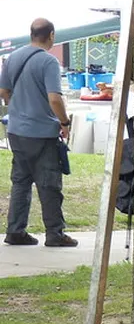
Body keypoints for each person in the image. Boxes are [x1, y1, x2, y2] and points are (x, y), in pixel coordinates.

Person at [0, 18, 77, 247]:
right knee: (49, 183)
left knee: (21, 181)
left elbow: (3, 90)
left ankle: (15, 231)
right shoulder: (48, 62)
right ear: (51, 35)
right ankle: (55, 233)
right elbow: (55, 98)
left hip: (16, 131)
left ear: (31, 34)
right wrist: (64, 122)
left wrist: (18, 104)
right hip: (42, 131)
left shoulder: (13, 57)